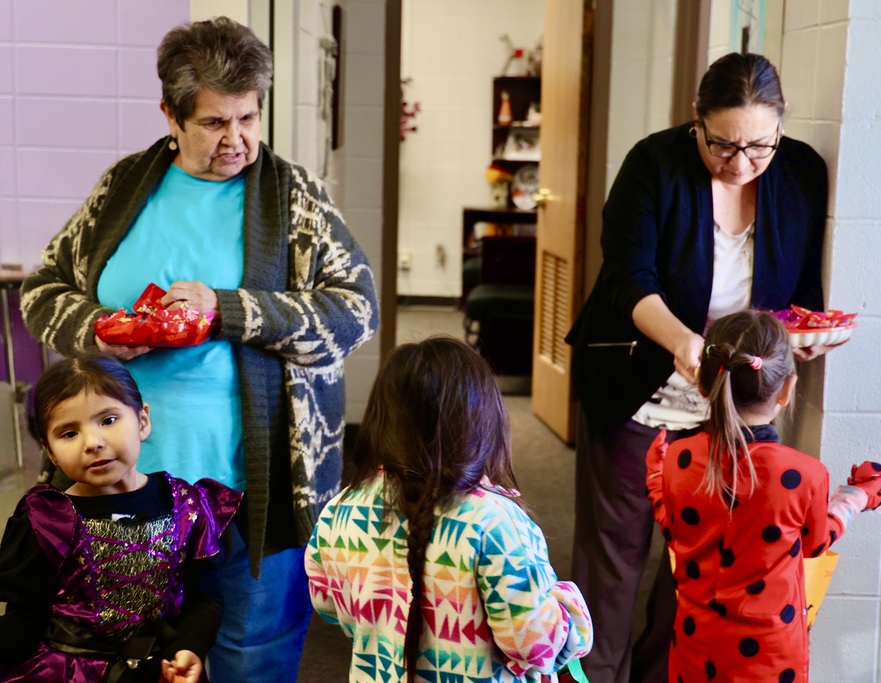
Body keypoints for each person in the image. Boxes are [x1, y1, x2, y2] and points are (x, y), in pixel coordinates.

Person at [18, 16, 379, 682]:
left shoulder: (294, 197)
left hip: (251, 497)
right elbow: (42, 289)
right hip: (119, 490)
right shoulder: (124, 187)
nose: (237, 140)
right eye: (215, 122)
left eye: (250, 117)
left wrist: (230, 308)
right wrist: (96, 329)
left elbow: (356, 310)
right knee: (121, 662)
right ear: (171, 114)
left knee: (250, 660)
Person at [564, 52, 837, 683]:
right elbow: (629, 279)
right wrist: (685, 345)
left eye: (759, 147)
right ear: (696, 121)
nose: (740, 164)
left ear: (782, 126)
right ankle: (595, 673)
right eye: (722, 145)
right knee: (613, 562)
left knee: (701, 567)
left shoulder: (801, 172)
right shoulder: (653, 165)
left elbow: (798, 283)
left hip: (731, 408)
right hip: (642, 384)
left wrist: (805, 333)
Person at [305, 337, 593, 682]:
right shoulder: (496, 524)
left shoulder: (340, 509)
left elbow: (327, 604)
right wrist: (569, 607)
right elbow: (536, 646)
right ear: (484, 421)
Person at [644, 310, 881, 682]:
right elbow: (815, 543)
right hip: (768, 654)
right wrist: (859, 494)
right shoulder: (804, 474)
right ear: (786, 389)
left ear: (703, 385)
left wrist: (655, 476)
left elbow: (673, 529)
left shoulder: (680, 459)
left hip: (697, 642)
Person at [0, 352, 243, 683]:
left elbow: (205, 594)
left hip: (162, 672)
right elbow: (24, 617)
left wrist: (190, 647)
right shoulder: (46, 518)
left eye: (108, 420)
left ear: (142, 421)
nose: (94, 443)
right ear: (51, 451)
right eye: (69, 433)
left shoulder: (186, 503)